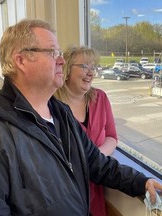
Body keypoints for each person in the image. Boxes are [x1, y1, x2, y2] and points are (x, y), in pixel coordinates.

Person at [0, 18, 162, 215]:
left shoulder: (61, 113)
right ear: (21, 60)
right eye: (52, 52)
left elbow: (96, 163)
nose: (62, 60)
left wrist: (139, 181)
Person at [55, 46, 118, 216]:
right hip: (66, 192)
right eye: (84, 67)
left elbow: (112, 137)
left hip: (96, 187)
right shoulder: (52, 106)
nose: (91, 73)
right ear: (67, 69)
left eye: (93, 67)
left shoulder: (101, 98)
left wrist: (95, 157)